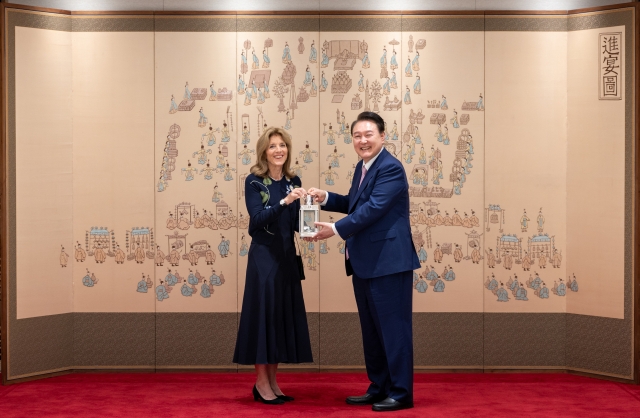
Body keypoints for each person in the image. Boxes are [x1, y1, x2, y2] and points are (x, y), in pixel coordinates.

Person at [308, 112, 419, 412]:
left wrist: (335, 229)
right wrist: (325, 197)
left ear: (383, 136)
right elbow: (355, 203)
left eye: (368, 134)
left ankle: (400, 392)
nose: (362, 140)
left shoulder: (391, 168)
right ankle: (379, 386)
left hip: (389, 264)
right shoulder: (364, 167)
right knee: (372, 330)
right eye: (357, 135)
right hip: (366, 263)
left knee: (394, 330)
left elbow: (374, 209)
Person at [233, 127, 313, 405]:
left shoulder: (294, 180)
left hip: (287, 257)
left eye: (283, 145)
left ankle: (273, 382)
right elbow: (256, 222)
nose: (279, 150)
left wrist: (308, 212)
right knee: (263, 319)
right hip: (264, 259)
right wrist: (284, 201)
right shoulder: (254, 182)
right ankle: (260, 383)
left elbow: (294, 225)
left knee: (279, 319)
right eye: (272, 146)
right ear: (264, 152)